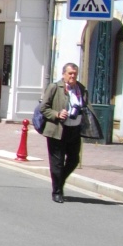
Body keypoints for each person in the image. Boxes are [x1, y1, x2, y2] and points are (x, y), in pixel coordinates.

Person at [38, 63, 89, 203]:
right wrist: (57, 114)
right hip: (57, 130)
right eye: (70, 73)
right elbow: (43, 108)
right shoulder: (55, 87)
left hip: (74, 129)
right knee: (57, 162)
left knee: (74, 160)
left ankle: (59, 182)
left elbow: (84, 106)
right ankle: (57, 192)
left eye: (75, 74)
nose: (73, 76)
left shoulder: (81, 89)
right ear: (64, 74)